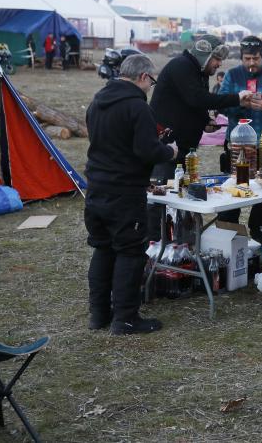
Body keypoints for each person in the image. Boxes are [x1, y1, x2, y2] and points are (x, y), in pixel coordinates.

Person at [84, 54, 178, 335]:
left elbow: (112, 144)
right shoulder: (137, 107)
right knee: (130, 252)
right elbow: (147, 151)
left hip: (97, 187)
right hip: (123, 192)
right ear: (143, 77)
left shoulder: (98, 101)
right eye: (151, 81)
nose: (150, 87)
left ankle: (99, 313)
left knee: (103, 248)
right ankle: (125, 318)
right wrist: (170, 151)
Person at [147, 34, 252, 239]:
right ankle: (152, 247)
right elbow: (196, 98)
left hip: (183, 150)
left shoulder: (198, 72)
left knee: (176, 198)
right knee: (159, 200)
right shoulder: (182, 66)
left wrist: (205, 121)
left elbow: (192, 104)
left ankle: (174, 243)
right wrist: (236, 99)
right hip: (166, 148)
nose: (219, 64)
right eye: (216, 59)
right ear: (205, 54)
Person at [217, 36, 262, 239]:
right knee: (231, 194)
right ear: (241, 58)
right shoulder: (232, 76)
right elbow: (221, 104)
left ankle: (259, 235)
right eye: (247, 58)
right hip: (236, 149)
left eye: (256, 58)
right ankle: (227, 236)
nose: (251, 63)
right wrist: (239, 102)